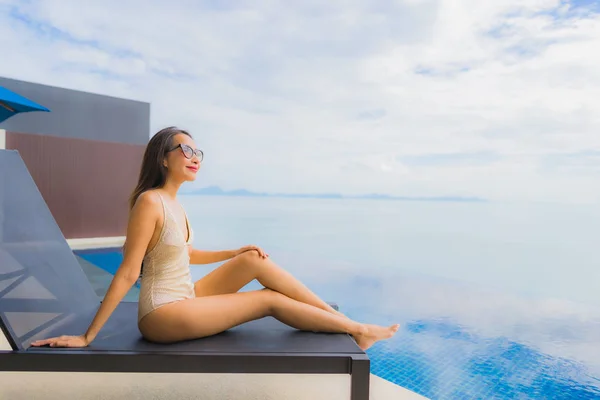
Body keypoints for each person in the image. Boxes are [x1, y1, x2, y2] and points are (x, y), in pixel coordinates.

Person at [31, 127, 399, 351]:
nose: (195, 158)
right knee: (267, 300)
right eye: (186, 151)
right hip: (162, 314)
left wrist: (234, 252)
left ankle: (337, 318)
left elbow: (185, 254)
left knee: (254, 261)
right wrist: (88, 336)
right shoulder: (149, 201)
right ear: (163, 158)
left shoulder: (175, 202)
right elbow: (129, 272)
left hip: (186, 298)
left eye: (198, 152)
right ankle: (358, 329)